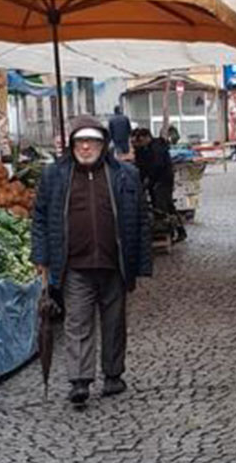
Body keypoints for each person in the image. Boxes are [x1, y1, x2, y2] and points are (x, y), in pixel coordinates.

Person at [32, 116, 152, 406]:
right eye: (80, 141)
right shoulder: (54, 176)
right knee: (77, 322)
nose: (86, 147)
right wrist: (41, 256)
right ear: (72, 145)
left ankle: (113, 375)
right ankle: (80, 380)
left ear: (103, 144)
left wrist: (141, 263)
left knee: (114, 323)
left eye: (92, 141)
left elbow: (141, 219)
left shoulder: (125, 174)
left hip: (115, 262)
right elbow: (39, 218)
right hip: (74, 264)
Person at [131, 127, 185, 243]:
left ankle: (170, 231)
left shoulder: (157, 147)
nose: (138, 143)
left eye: (140, 140)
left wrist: (148, 180)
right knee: (164, 205)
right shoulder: (144, 148)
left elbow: (157, 166)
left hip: (163, 180)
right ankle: (177, 231)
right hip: (154, 181)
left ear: (147, 138)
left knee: (163, 206)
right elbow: (142, 166)